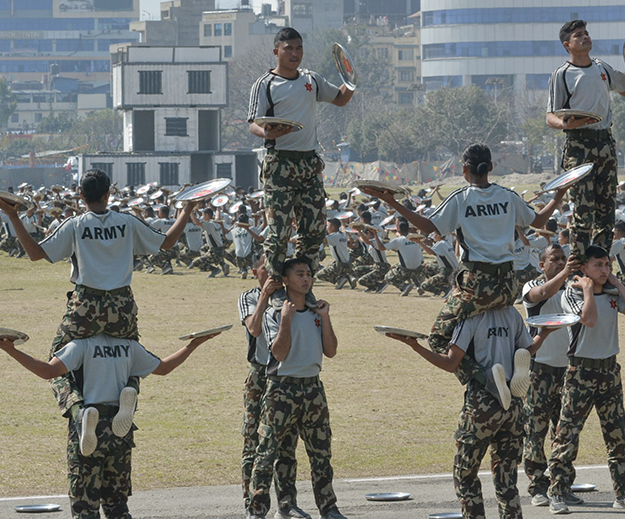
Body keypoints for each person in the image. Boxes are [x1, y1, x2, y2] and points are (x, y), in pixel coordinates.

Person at [0, 169, 199, 435]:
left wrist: (13, 216)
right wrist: (186, 210)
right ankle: (128, 395)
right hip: (122, 304)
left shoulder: (75, 224)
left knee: (55, 363)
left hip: (86, 304)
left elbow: (36, 253)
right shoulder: (127, 222)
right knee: (131, 355)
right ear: (109, 194)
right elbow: (167, 243)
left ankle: (78, 409)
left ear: (81, 195)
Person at [359, 143, 571, 391]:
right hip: (506, 287)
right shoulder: (508, 196)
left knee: (439, 338)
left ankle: (485, 377)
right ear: (491, 167)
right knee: (499, 331)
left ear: (464, 170)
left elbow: (430, 228)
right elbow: (539, 220)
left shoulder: (461, 199)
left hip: (475, 286)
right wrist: (559, 194)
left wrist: (392, 202)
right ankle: (515, 361)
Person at [0, 320, 220, 519]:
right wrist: (193, 345)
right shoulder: (129, 346)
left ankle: (82, 414)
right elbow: (164, 367)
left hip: (89, 428)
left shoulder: (81, 345)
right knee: (117, 506)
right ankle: (125, 403)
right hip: (119, 430)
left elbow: (47, 371)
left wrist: (10, 349)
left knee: (85, 508)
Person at [387, 300, 556, 519]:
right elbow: (526, 350)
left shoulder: (471, 316)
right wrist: (543, 333)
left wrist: (415, 345)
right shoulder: (512, 313)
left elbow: (450, 363)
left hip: (482, 404)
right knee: (507, 480)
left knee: (465, 474)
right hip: (514, 403)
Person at [247, 27, 355, 282]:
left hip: (309, 163)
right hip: (279, 163)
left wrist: (351, 80)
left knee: (315, 231)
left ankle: (303, 283)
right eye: (288, 49)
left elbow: (340, 99)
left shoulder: (311, 79)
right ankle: (272, 285)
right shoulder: (265, 84)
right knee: (279, 233)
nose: (295, 54)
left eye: (299, 48)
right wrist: (267, 133)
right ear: (276, 52)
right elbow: (253, 123)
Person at [547, 245, 625, 512]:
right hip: (581, 372)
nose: (604, 270)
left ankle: (623, 493)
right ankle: (557, 491)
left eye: (607, 264)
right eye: (598, 265)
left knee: (617, 436)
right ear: (584, 269)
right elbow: (588, 319)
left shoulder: (613, 291)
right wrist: (589, 290)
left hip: (609, 370)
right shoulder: (572, 293)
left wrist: (617, 283)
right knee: (567, 434)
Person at [248, 258, 346, 519]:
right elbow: (279, 353)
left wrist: (325, 318)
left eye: (309, 274)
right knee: (269, 453)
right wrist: (286, 321)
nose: (306, 279)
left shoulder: (317, 311)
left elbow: (331, 351)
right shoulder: (274, 313)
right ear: (286, 280)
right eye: (299, 274)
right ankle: (257, 510)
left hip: (313, 388)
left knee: (321, 454)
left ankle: (328, 507)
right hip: (282, 389)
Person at [544, 20, 625, 261]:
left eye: (586, 33)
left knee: (606, 212)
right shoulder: (562, 74)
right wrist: (567, 124)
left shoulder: (602, 68)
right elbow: (550, 117)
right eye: (578, 35)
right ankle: (578, 265)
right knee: (583, 211)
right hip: (578, 144)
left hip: (605, 142)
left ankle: (600, 265)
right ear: (567, 45)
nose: (585, 37)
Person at [237, 255, 303, 519]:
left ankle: (287, 503)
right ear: (256, 272)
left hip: (286, 375)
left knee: (287, 441)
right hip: (260, 375)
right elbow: (253, 329)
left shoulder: (291, 297)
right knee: (253, 441)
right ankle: (251, 503)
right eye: (267, 268)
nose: (273, 273)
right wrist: (264, 297)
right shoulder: (249, 296)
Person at [520, 245, 577, 507]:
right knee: (535, 430)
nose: (560, 263)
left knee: (564, 432)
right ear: (541, 264)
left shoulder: (572, 287)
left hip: (568, 368)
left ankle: (561, 485)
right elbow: (542, 293)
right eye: (554, 260)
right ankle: (537, 487)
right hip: (539, 368)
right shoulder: (532, 286)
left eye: (564, 260)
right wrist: (565, 273)